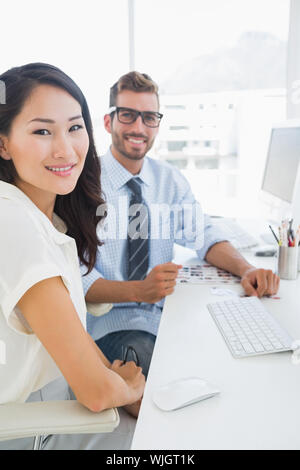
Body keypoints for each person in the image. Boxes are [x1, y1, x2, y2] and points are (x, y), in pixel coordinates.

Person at [81, 71, 280, 377]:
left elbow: (204, 234)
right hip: (114, 325)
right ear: (108, 122)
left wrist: (247, 269)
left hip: (168, 316)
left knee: (231, 362)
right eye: (128, 115)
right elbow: (78, 280)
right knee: (168, 382)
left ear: (157, 125)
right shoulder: (84, 185)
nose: (139, 127)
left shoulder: (168, 180)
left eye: (149, 117)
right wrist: (139, 290)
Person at [0, 63, 145, 450]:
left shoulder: (46, 219)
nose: (65, 149)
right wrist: (126, 387)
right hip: (27, 430)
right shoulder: (12, 221)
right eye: (42, 131)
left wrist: (111, 375)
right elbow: (97, 395)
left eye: (74, 127)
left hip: (49, 405)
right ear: (3, 143)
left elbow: (71, 332)